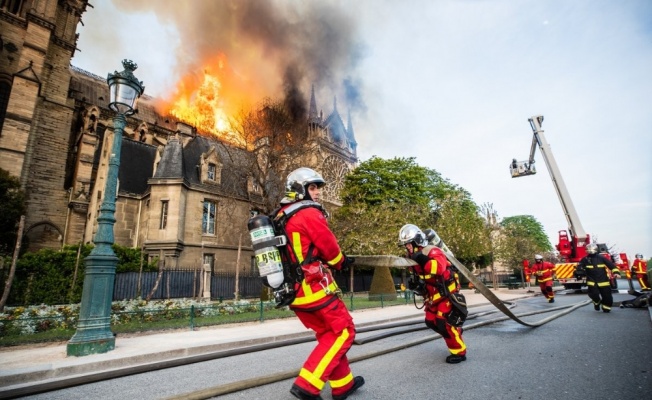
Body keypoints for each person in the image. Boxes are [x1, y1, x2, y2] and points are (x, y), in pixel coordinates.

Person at [275, 167, 364, 400]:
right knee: (345, 331)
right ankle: (307, 384)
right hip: (314, 288)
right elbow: (329, 246)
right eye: (312, 188)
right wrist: (341, 262)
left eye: (317, 188)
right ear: (299, 190)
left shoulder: (282, 215)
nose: (317, 193)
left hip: (295, 292)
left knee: (328, 333)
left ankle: (343, 385)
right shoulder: (308, 213)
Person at [398, 224, 467, 364]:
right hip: (432, 296)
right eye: (405, 245)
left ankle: (459, 352)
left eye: (409, 244)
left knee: (444, 322)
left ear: (416, 241)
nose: (407, 247)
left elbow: (439, 269)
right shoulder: (412, 258)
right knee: (430, 321)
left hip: (446, 293)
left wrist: (424, 260)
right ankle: (454, 333)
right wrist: (417, 286)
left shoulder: (432, 251)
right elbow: (421, 276)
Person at [576, 243, 621, 312]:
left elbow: (611, 265)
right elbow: (579, 267)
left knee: (607, 296)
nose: (591, 250)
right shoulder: (585, 259)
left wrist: (616, 273)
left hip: (603, 280)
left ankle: (606, 307)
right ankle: (597, 302)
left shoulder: (601, 258)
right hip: (592, 281)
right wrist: (579, 272)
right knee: (593, 295)